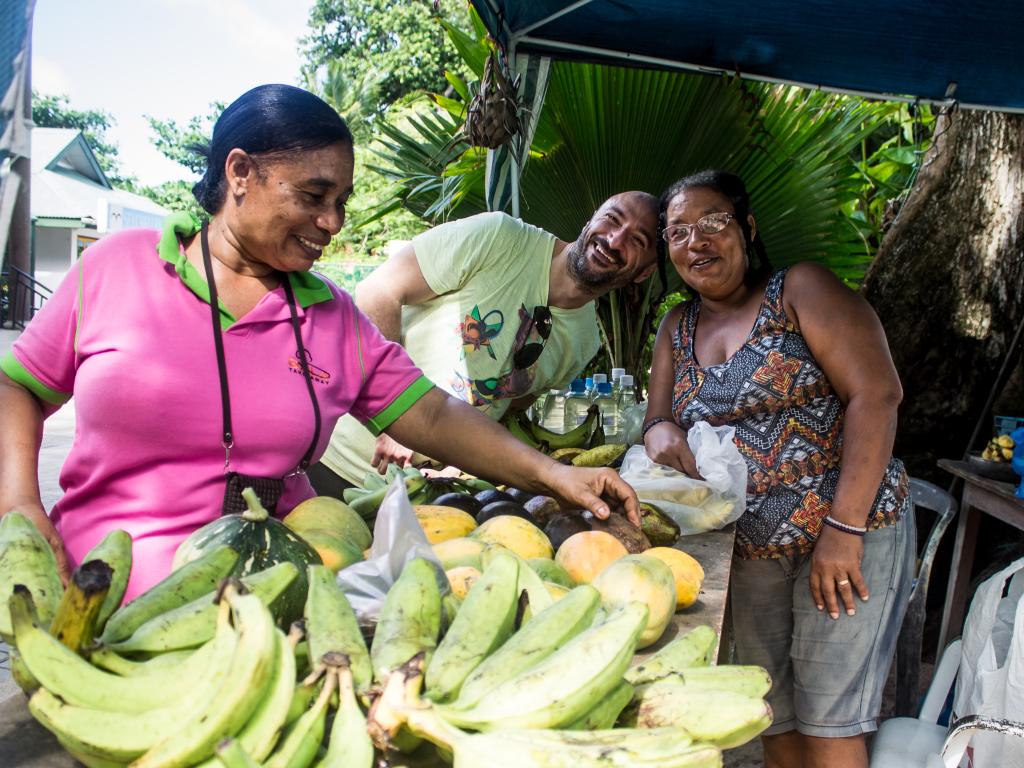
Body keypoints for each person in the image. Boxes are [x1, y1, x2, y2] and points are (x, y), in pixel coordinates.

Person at [0, 84, 640, 601]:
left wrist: (554, 474)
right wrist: (21, 504)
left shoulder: (329, 314)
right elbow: (17, 383)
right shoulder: (122, 266)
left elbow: (433, 414)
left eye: (341, 200)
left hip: (275, 610)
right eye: (314, 195)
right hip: (94, 593)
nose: (332, 222)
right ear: (241, 172)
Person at [643, 170, 914, 768]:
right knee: (773, 714)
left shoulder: (800, 289)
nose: (697, 241)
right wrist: (661, 429)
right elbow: (656, 420)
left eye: (713, 222)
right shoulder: (675, 327)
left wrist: (844, 530)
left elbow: (877, 395)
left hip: (847, 532)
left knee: (830, 721)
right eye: (678, 231)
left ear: (748, 227)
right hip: (748, 548)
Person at [315, 191, 660, 491]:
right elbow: (380, 292)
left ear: (643, 272)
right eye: (612, 220)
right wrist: (395, 419)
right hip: (334, 457)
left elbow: (509, 404)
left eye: (637, 241)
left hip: (415, 492)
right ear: (590, 221)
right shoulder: (499, 237)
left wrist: (459, 466)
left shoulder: (585, 342)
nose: (615, 240)